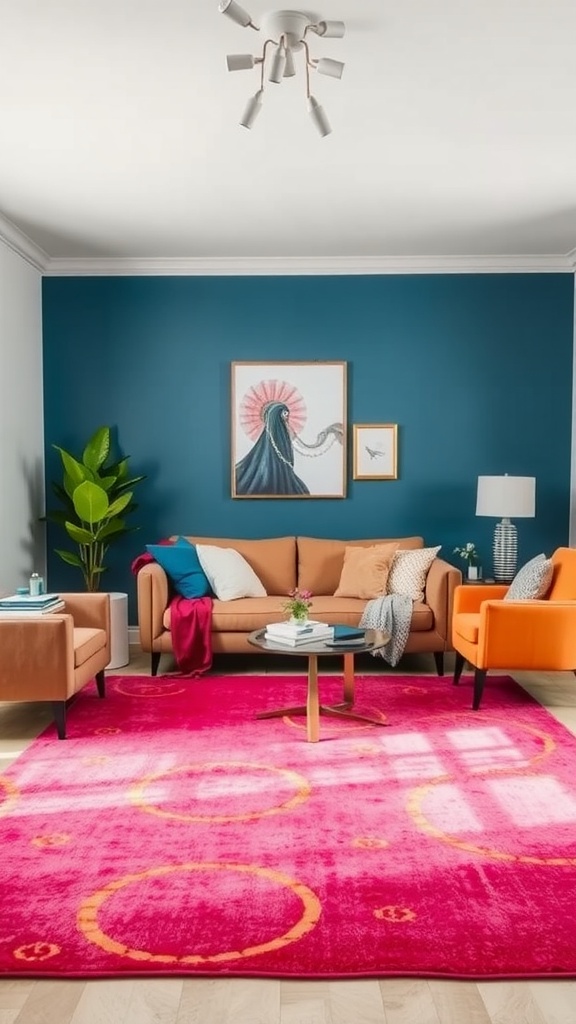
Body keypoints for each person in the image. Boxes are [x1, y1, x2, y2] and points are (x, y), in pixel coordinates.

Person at [234, 400, 310, 496]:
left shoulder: (283, 432)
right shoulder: (272, 436)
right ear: (276, 415)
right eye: (285, 414)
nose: (287, 417)